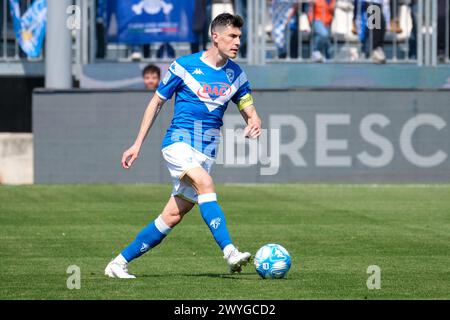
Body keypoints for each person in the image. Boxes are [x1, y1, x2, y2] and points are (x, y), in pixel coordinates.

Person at [105, 13, 262, 279]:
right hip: (178, 143)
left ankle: (118, 263)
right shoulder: (184, 66)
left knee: (171, 216)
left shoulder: (236, 74)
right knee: (206, 184)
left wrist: (254, 119)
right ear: (216, 36)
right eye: (232, 36)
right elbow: (156, 102)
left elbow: (246, 103)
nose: (237, 42)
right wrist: (137, 144)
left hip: (206, 152)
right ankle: (230, 251)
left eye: (239, 37)